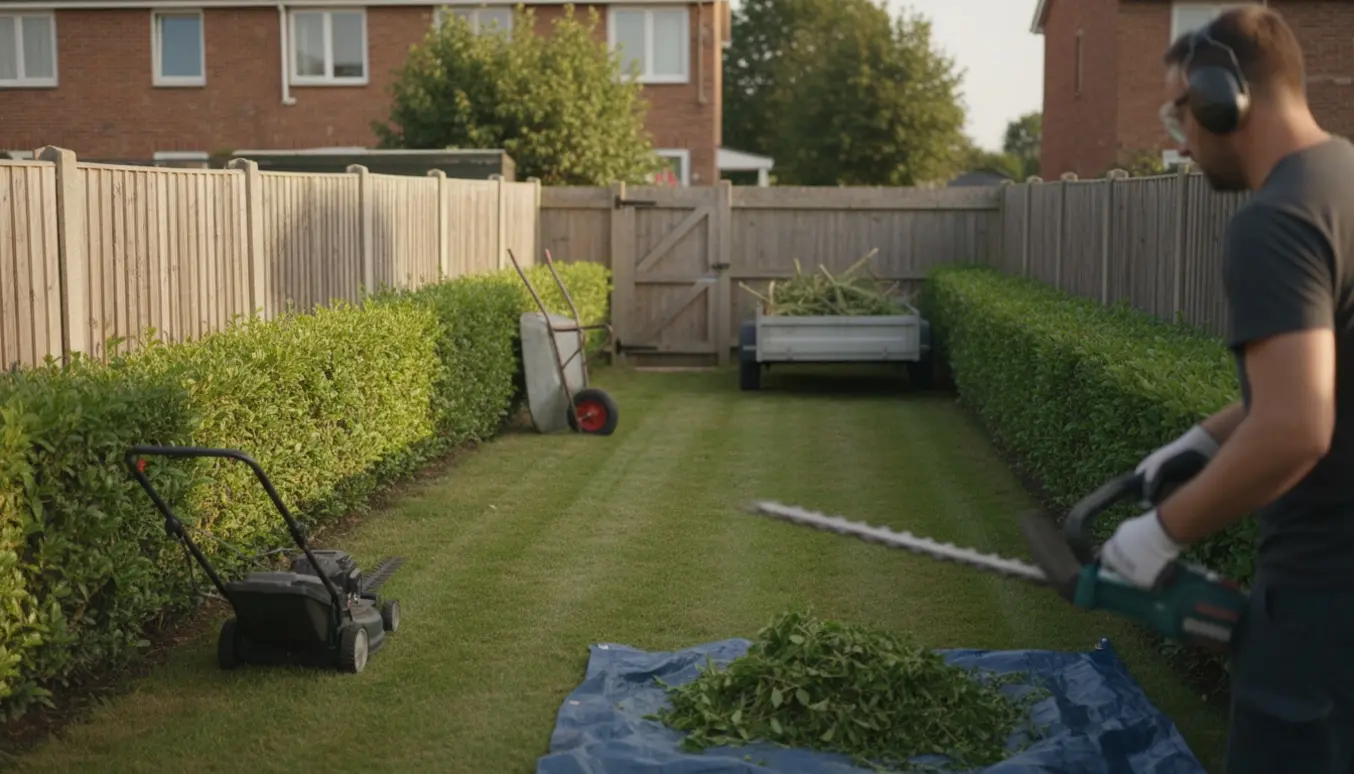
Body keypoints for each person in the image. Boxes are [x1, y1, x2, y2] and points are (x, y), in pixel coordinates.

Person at [1095, 6, 1354, 773]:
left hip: (1320, 612)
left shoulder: (1274, 221)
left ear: (1221, 97)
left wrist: (1158, 533)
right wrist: (1205, 439)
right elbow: (1325, 377)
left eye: (1178, 111)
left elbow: (1297, 427)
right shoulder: (1343, 178)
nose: (1177, 136)